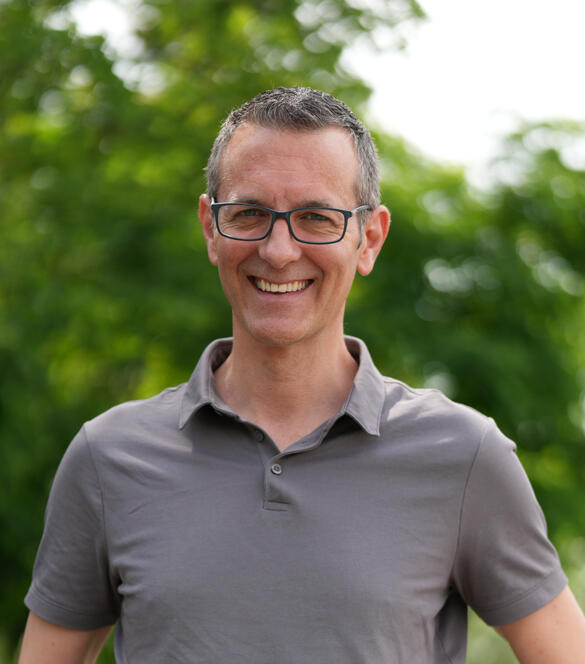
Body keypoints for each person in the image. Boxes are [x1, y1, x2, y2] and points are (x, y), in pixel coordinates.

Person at [19, 86, 585, 663]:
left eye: (317, 218)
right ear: (211, 228)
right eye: (249, 214)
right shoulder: (107, 457)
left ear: (369, 239)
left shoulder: (463, 455)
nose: (279, 250)